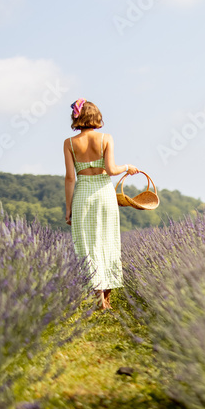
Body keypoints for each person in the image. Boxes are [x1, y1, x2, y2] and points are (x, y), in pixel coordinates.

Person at [62, 98, 138, 310]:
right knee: (109, 241)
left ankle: (97, 297)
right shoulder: (106, 138)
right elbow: (112, 169)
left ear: (77, 117)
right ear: (96, 118)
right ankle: (107, 299)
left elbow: (70, 178)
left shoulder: (69, 143)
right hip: (104, 194)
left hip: (83, 196)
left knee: (87, 245)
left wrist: (68, 208)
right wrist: (128, 167)